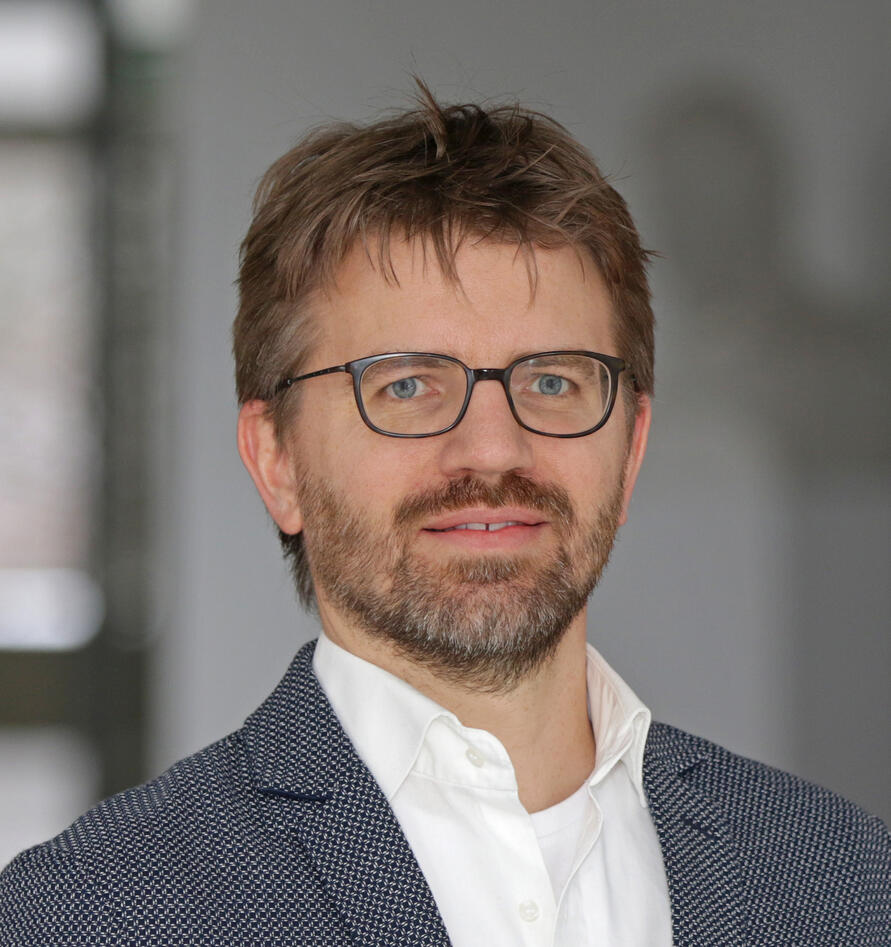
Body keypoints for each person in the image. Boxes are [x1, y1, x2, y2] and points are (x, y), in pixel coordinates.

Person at [1, 84, 889, 947]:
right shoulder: (88, 916)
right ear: (277, 461)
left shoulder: (847, 882)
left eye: (552, 381)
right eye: (407, 386)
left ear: (630, 448)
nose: (493, 449)